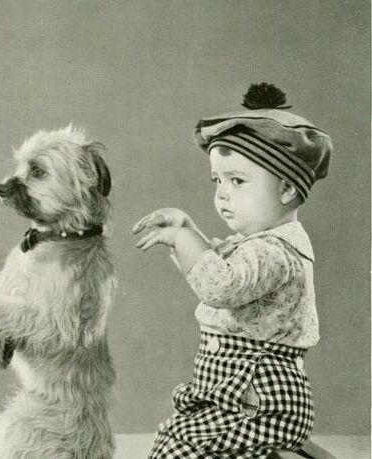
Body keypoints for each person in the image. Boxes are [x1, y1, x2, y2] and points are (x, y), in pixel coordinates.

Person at [132, 83, 333, 459]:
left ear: (287, 188)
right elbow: (212, 265)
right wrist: (186, 230)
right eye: (218, 181)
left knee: (181, 449)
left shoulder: (274, 252)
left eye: (237, 181)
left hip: (258, 399)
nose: (222, 193)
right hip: (234, 391)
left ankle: (282, 452)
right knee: (177, 439)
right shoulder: (256, 245)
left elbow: (219, 286)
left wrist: (182, 238)